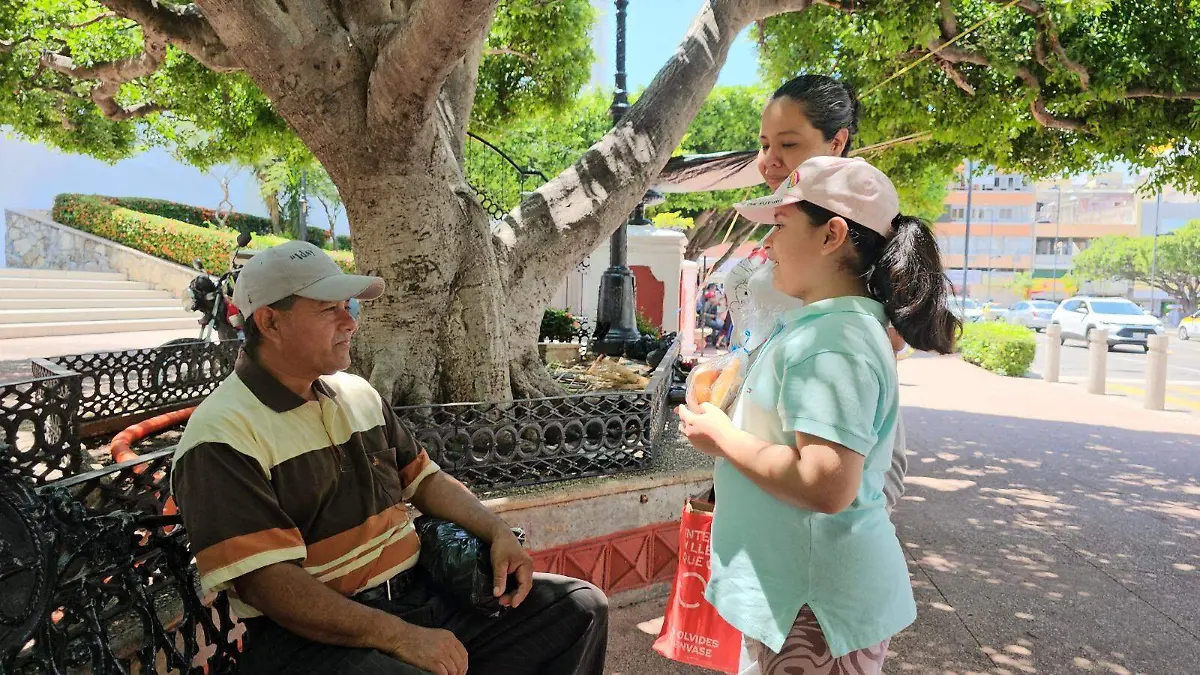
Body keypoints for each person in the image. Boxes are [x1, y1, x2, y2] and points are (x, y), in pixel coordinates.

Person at [171, 241, 608, 675]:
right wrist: (398, 637)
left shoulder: (355, 393)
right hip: (314, 638)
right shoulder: (222, 436)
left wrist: (498, 532)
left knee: (580, 609)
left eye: (349, 307)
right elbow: (269, 585)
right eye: (329, 310)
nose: (350, 323)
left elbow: (426, 480)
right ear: (269, 321)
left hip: (420, 598)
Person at [678, 156, 960, 674]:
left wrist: (721, 437)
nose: (766, 245)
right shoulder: (827, 328)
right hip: (804, 597)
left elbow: (826, 482)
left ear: (832, 235)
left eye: (781, 227)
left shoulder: (832, 341)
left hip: (814, 607)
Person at [723, 74, 909, 510]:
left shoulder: (850, 239)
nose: (769, 160)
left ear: (837, 142)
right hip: (764, 446)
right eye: (765, 144)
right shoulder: (789, 226)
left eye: (787, 145)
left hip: (814, 448)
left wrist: (727, 438)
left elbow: (828, 478)